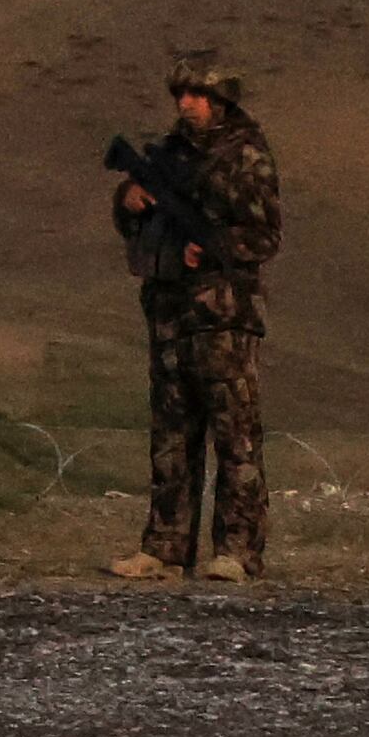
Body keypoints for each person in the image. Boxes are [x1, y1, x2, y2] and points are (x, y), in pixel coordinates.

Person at [112, 52, 283, 582]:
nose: (186, 105)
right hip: (170, 314)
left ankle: (237, 550)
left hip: (224, 317)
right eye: (181, 96)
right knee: (171, 434)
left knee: (236, 437)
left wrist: (210, 252)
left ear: (220, 100)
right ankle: (164, 547)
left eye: (197, 96)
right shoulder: (168, 155)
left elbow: (265, 235)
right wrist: (130, 200)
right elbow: (134, 224)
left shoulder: (246, 156)